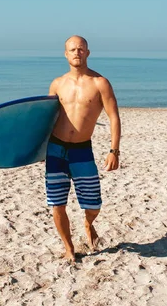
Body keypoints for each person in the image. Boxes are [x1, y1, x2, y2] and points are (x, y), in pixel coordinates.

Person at [46, 35, 121, 263]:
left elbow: (114, 117)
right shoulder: (57, 84)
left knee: (93, 204)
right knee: (56, 204)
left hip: (82, 149)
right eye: (72, 49)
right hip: (55, 149)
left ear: (88, 52)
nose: (76, 52)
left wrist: (114, 150)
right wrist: (38, 149)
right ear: (65, 54)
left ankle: (88, 224)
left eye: (80, 49)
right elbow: (45, 118)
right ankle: (69, 248)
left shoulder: (100, 83)